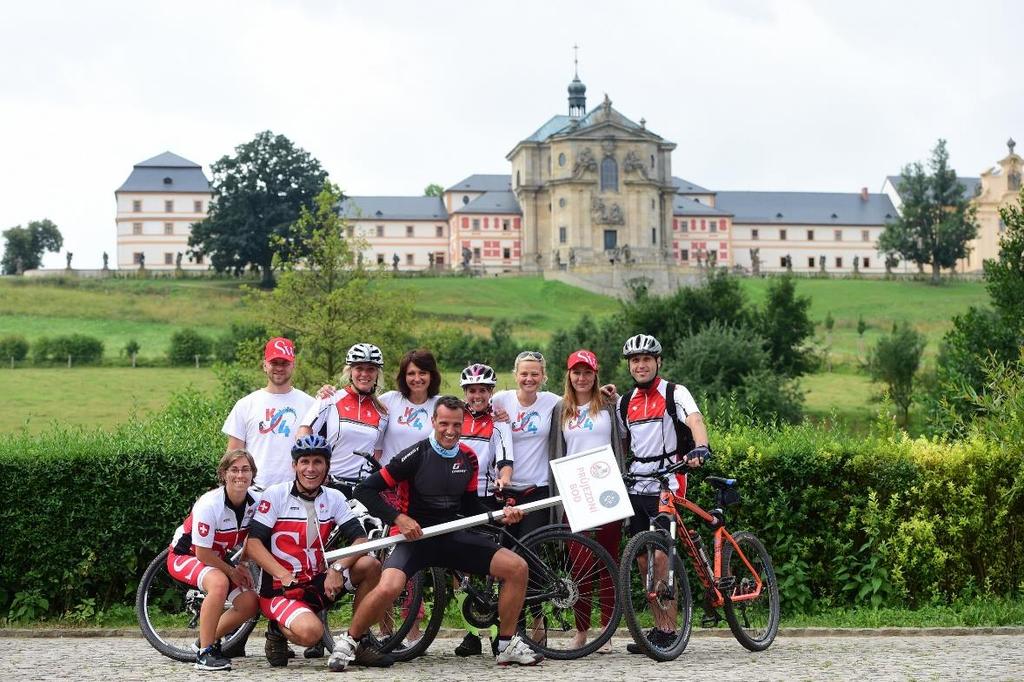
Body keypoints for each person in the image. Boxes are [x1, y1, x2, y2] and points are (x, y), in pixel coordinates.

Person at [332, 396, 542, 670]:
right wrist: (400, 518)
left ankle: (505, 645)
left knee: (517, 567)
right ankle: (349, 641)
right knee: (389, 586)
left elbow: (468, 506)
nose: (451, 430)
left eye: (457, 424)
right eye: (444, 424)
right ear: (433, 422)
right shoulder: (414, 455)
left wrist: (503, 516)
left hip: (450, 536)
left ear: (463, 423)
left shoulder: (467, 457)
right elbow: (365, 490)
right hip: (415, 540)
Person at [245, 435, 389, 669]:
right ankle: (276, 630)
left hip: (316, 582)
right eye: (305, 462)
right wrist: (282, 574)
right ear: (294, 466)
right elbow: (253, 544)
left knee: (370, 565)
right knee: (313, 633)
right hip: (280, 590)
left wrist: (337, 567)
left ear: (327, 467)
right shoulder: (276, 495)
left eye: (318, 462)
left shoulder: (334, 497)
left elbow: (360, 539)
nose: (311, 469)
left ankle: (356, 640)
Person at [616, 333, 710, 654]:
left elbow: (695, 419)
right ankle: (658, 629)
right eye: (634, 360)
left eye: (646, 359)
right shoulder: (625, 402)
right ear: (629, 365)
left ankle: (669, 630)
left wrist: (701, 447)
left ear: (658, 362)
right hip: (637, 483)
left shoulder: (674, 392)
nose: (640, 365)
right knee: (643, 560)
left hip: (668, 482)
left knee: (660, 557)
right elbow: (621, 441)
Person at [547, 349, 625, 654]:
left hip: (606, 488)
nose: (582, 378)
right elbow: (555, 450)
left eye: (587, 372)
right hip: (575, 489)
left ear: (596, 374)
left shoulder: (608, 404)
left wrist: (617, 400)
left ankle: (607, 628)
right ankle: (581, 630)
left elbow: (626, 435)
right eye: (576, 372)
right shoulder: (560, 409)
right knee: (580, 565)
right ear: (569, 375)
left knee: (608, 561)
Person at [166, 450, 261, 671]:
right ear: (223, 474)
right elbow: (202, 554)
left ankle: (205, 639)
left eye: (245, 469)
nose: (240, 475)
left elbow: (253, 538)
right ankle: (205, 654)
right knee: (219, 581)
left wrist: (243, 564)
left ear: (253, 474)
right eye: (234, 470)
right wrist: (232, 571)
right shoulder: (209, 504)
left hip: (219, 558)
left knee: (250, 603)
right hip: (186, 555)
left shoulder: (256, 502)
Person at [453, 363, 514, 657]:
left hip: (484, 497)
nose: (477, 395)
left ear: (491, 392)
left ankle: (493, 631)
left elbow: (505, 459)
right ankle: (470, 633)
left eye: (482, 390)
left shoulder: (499, 421)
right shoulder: (455, 418)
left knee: (490, 567)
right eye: (472, 390)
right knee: (458, 568)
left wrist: (504, 479)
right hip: (454, 498)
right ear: (465, 392)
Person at [223, 337, 314, 489]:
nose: (279, 368)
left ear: (293, 365)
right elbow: (233, 455)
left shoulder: (310, 405)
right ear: (265, 365)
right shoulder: (245, 405)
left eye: (284, 363)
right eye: (274, 363)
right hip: (255, 491)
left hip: (298, 491)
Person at [297, 343, 388, 494]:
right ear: (350, 371)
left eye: (370, 369)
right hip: (328, 484)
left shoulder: (382, 412)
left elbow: (377, 453)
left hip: (362, 488)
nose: (364, 374)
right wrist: (315, 469)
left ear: (377, 373)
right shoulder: (330, 399)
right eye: (359, 368)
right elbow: (303, 432)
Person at [489, 351, 560, 543]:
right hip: (505, 487)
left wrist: (606, 394)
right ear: (515, 375)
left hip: (538, 488)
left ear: (543, 376)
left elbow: (581, 404)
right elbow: (473, 408)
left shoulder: (553, 401)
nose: (529, 379)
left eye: (535, 374)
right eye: (524, 374)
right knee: (504, 550)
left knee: (529, 548)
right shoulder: (500, 399)